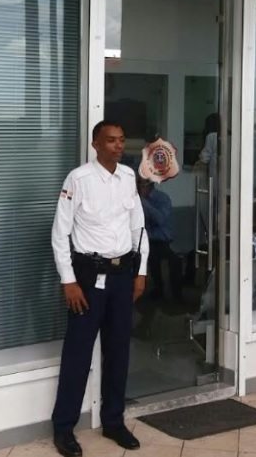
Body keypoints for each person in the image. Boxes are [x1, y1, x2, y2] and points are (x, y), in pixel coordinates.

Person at [50, 120, 149, 457]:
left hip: (122, 275)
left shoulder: (128, 177)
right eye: (110, 140)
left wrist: (140, 272)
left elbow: (138, 228)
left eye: (121, 140)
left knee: (118, 351)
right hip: (88, 277)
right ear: (95, 144)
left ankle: (113, 421)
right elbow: (60, 232)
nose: (118, 146)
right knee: (77, 353)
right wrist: (68, 280)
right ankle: (64, 428)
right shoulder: (79, 179)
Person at [138, 177, 182, 304]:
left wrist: (144, 203)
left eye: (141, 186)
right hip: (147, 239)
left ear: (148, 186)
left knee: (169, 259)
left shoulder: (162, 199)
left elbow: (160, 219)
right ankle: (156, 290)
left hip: (163, 240)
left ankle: (175, 295)